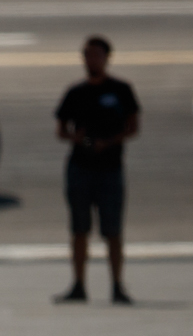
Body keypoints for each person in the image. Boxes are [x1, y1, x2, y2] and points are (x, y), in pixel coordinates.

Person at [53, 36, 140, 304]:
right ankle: (78, 284)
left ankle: (117, 285)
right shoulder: (75, 93)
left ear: (106, 58)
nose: (92, 61)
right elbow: (61, 130)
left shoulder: (121, 90)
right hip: (81, 166)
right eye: (88, 55)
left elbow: (133, 126)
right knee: (79, 229)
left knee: (113, 230)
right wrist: (80, 139)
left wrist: (110, 141)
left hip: (110, 166)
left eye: (97, 55)